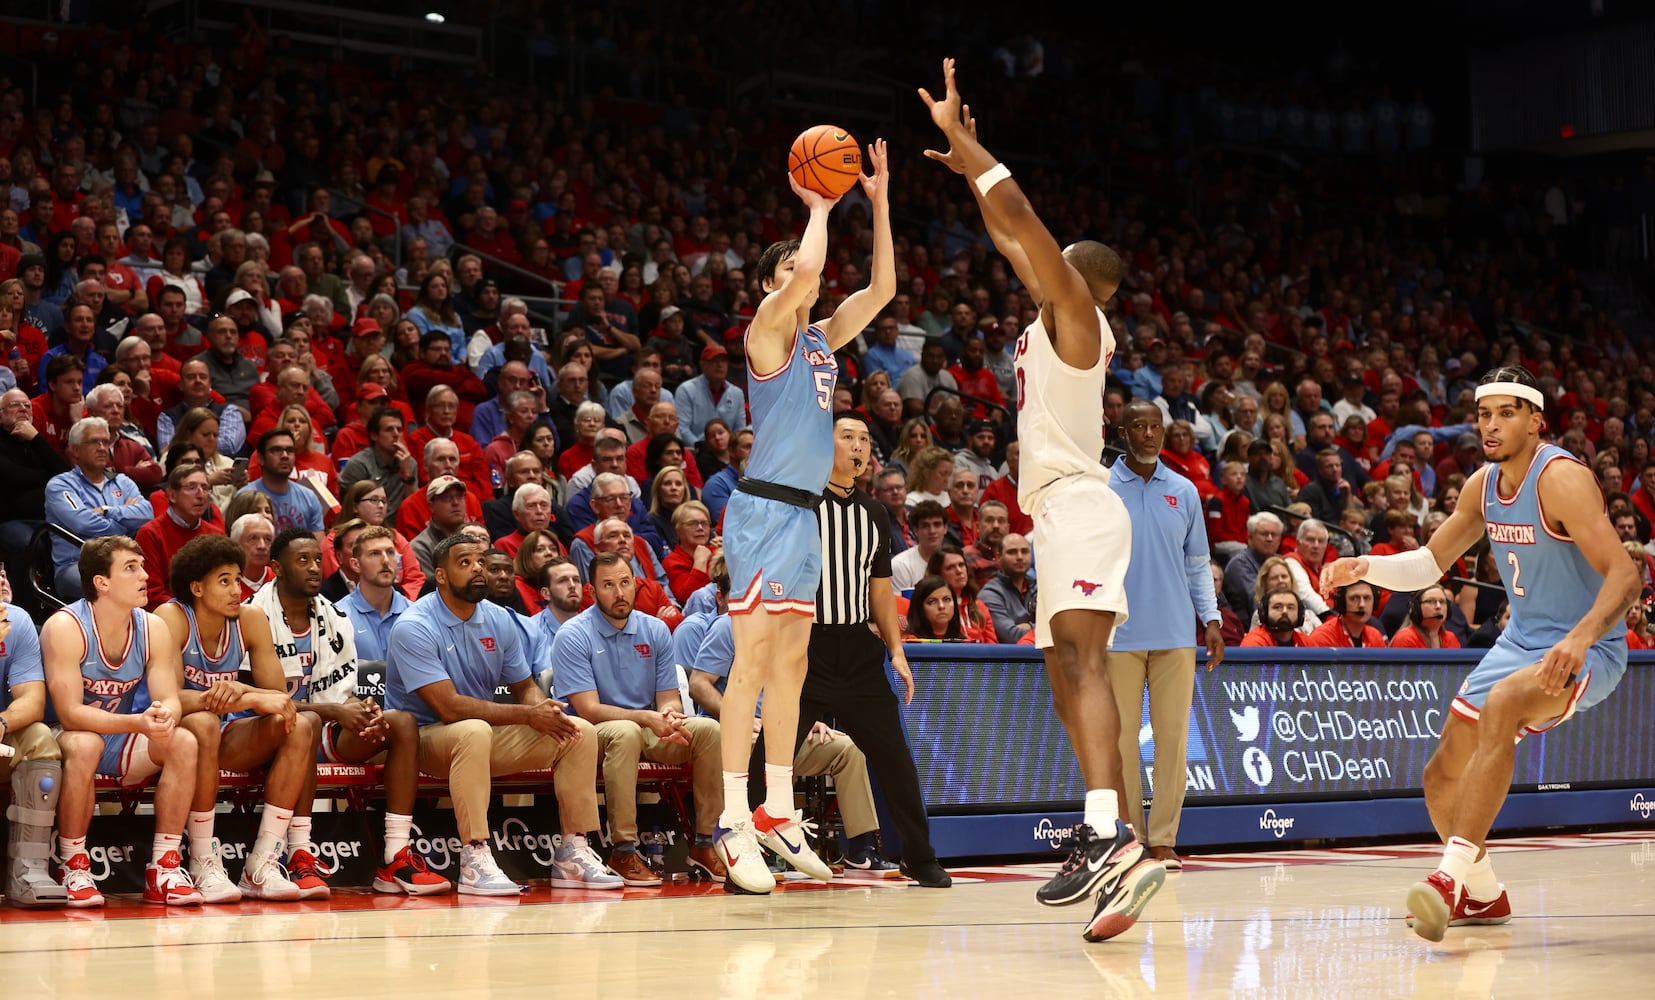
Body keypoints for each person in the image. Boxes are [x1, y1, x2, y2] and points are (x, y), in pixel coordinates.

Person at [921, 58, 1162, 940]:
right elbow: (1008, 235)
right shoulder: (1049, 314)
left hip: (1080, 506)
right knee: (1065, 672)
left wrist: (966, 138)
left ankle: (1106, 832)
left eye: (1053, 264)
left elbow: (1020, 219)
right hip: (1057, 512)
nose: (1037, 264)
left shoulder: (1079, 317)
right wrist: (966, 179)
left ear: (1078, 280)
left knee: (1084, 665)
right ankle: (1116, 849)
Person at [1323, 366, 1639, 942]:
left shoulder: (1562, 480)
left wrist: (1580, 637)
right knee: (1440, 773)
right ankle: (1486, 894)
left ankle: (1447, 880)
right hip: (1520, 643)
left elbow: (1627, 575)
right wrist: (1363, 566)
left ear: (1536, 420)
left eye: (1507, 413)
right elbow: (1428, 564)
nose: (1491, 425)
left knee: (1501, 706)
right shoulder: (1481, 485)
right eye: (1484, 414)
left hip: (1591, 647)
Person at [714, 138, 892, 895]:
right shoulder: (766, 332)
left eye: (802, 264)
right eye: (786, 268)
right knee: (751, 671)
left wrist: (877, 205)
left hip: (803, 521)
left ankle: (776, 811)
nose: (803, 275)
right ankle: (728, 823)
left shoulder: (820, 342)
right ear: (767, 283)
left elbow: (880, 291)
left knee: (791, 670)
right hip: (760, 514)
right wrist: (820, 206)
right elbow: (810, 273)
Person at [384, 534, 621, 894]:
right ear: (442, 576)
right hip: (422, 741)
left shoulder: (499, 618)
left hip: (479, 738)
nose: (478, 569)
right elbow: (447, 706)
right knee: (473, 730)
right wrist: (526, 716)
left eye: (480, 561)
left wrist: (542, 710)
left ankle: (573, 850)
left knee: (578, 731)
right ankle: (474, 857)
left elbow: (523, 686)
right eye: (465, 563)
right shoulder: (413, 625)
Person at [783, 413, 949, 883]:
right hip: (806, 647)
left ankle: (920, 855)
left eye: (864, 440)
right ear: (825, 445)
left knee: (895, 757)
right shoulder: (801, 504)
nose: (858, 447)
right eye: (847, 437)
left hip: (858, 649)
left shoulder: (875, 513)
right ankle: (743, 848)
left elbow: (879, 589)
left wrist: (895, 650)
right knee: (772, 757)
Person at [250, 528, 451, 896]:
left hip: (321, 723)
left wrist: (363, 712)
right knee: (305, 723)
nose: (314, 568)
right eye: (302, 560)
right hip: (262, 729)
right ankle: (298, 855)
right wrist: (332, 710)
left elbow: (342, 695)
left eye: (316, 559)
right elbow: (256, 699)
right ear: (277, 568)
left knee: (400, 722)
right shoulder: (252, 615)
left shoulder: (334, 616)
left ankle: (395, 856)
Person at [42, 537, 203, 907]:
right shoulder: (65, 626)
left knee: (183, 740)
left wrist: (164, 718)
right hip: (62, 738)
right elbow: (70, 714)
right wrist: (139, 723)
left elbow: (169, 699)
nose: (145, 575)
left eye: (143, 566)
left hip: (121, 735)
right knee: (86, 742)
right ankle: (73, 864)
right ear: (102, 582)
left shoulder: (152, 627)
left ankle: (164, 867)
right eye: (131, 568)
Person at [552, 552, 727, 886]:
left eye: (625, 582)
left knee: (707, 730)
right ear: (591, 591)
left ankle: (706, 843)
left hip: (645, 726)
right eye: (608, 585)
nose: (619, 593)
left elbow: (667, 699)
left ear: (636, 583)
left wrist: (670, 717)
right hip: (592, 736)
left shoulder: (656, 629)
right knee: (625, 732)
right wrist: (648, 718)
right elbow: (588, 708)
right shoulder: (573, 634)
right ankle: (623, 850)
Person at [158, 535, 313, 902]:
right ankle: (201, 858)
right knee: (203, 722)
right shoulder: (171, 617)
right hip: (170, 736)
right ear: (197, 587)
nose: (236, 589)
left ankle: (263, 862)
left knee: (298, 725)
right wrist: (230, 699)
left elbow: (278, 697)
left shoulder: (250, 618)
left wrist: (242, 692)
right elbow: (167, 698)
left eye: (238, 579)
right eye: (224, 580)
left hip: (224, 734)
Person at [1106, 400, 1225, 869]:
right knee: (1121, 741)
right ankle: (1128, 835)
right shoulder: (1103, 488)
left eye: (1156, 426)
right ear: (1123, 432)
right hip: (1118, 633)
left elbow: (1197, 564)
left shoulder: (1185, 490)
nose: (1150, 434)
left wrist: (1210, 619)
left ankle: (1163, 837)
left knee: (1173, 739)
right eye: (1139, 426)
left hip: (1176, 632)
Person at [1, 589, 68, 907]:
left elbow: (32, 702)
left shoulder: (16, 621)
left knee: (40, 737)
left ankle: (28, 869)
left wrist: (1, 724)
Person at [45, 417, 155, 599]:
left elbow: (147, 513)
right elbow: (82, 523)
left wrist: (107, 511)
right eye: (94, 442)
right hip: (77, 565)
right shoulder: (61, 485)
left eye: (105, 441)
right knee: (116, 588)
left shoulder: (122, 481)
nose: (102, 447)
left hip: (126, 561)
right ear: (76, 450)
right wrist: (125, 525)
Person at [242, 428, 326, 537]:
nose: (285, 455)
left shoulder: (309, 497)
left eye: (290, 450)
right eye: (276, 450)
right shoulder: (244, 498)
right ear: (261, 459)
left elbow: (317, 546)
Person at [1390, 585, 1461, 648]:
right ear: (1417, 608)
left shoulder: (1451, 638)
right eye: (1431, 601)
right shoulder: (1405, 638)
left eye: (1442, 602)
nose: (1438, 606)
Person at [1240, 589, 1311, 647]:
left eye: (1290, 607)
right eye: (1277, 607)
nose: (1285, 611)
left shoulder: (1306, 642)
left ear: (1300, 614)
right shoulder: (1253, 643)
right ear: (1264, 612)